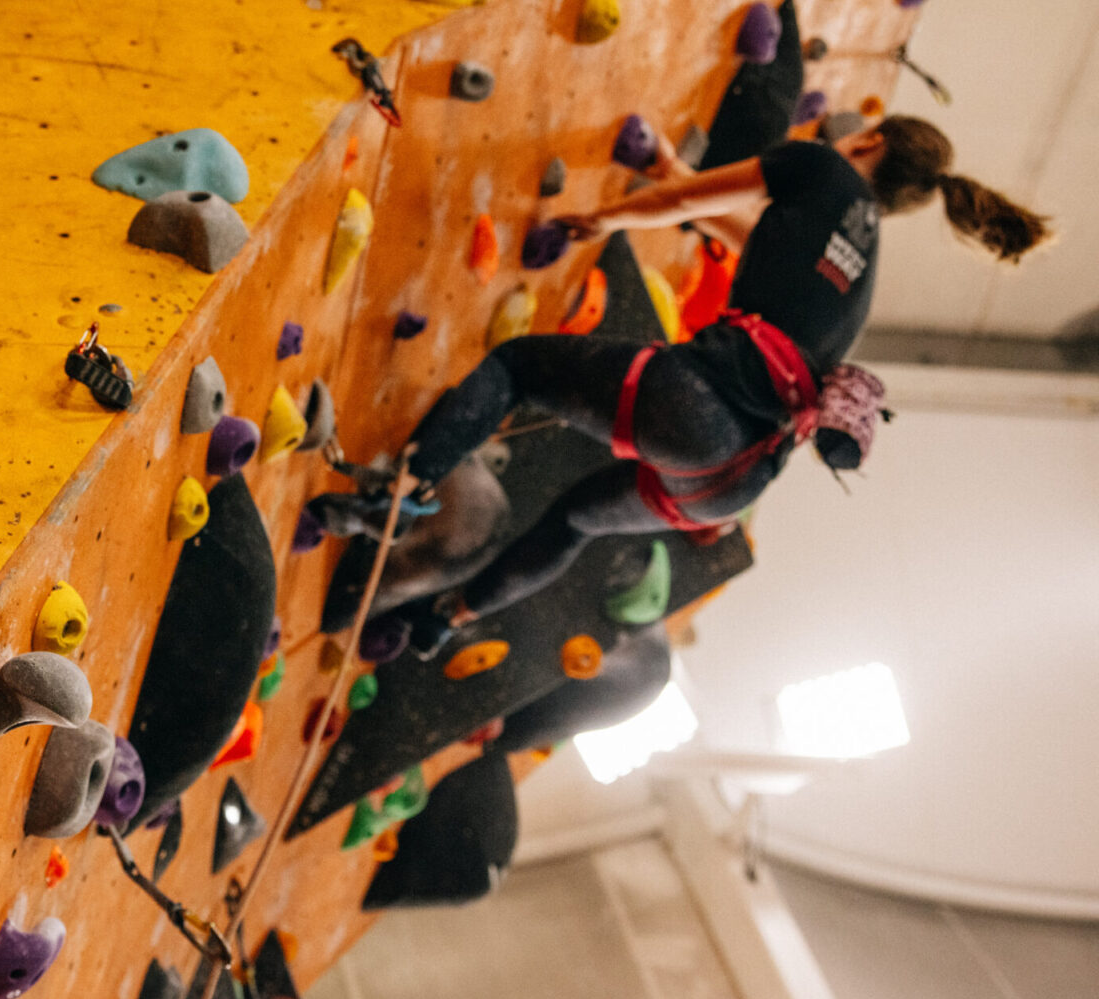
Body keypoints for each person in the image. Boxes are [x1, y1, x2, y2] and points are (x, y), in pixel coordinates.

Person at [386, 115, 1051, 660]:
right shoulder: (860, 280)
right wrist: (671, 176)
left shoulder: (823, 168)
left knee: (517, 366)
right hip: (732, 483)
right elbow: (744, 237)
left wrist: (608, 216)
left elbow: (688, 203)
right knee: (574, 521)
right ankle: (446, 617)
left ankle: (399, 493)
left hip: (698, 409)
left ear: (868, 141)